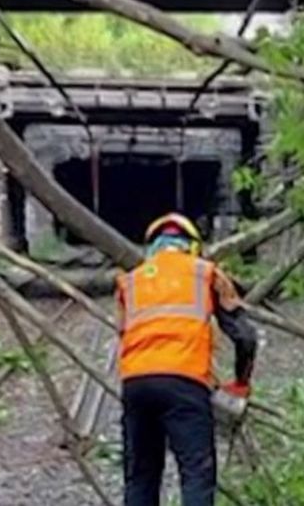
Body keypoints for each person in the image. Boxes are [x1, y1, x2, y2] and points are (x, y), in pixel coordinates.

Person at [116, 212, 258, 506]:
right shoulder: (206, 273)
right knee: (196, 474)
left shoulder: (131, 282)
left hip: (136, 385)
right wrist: (240, 383)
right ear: (192, 246)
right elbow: (245, 336)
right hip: (185, 384)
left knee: (141, 476)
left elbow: (124, 334)